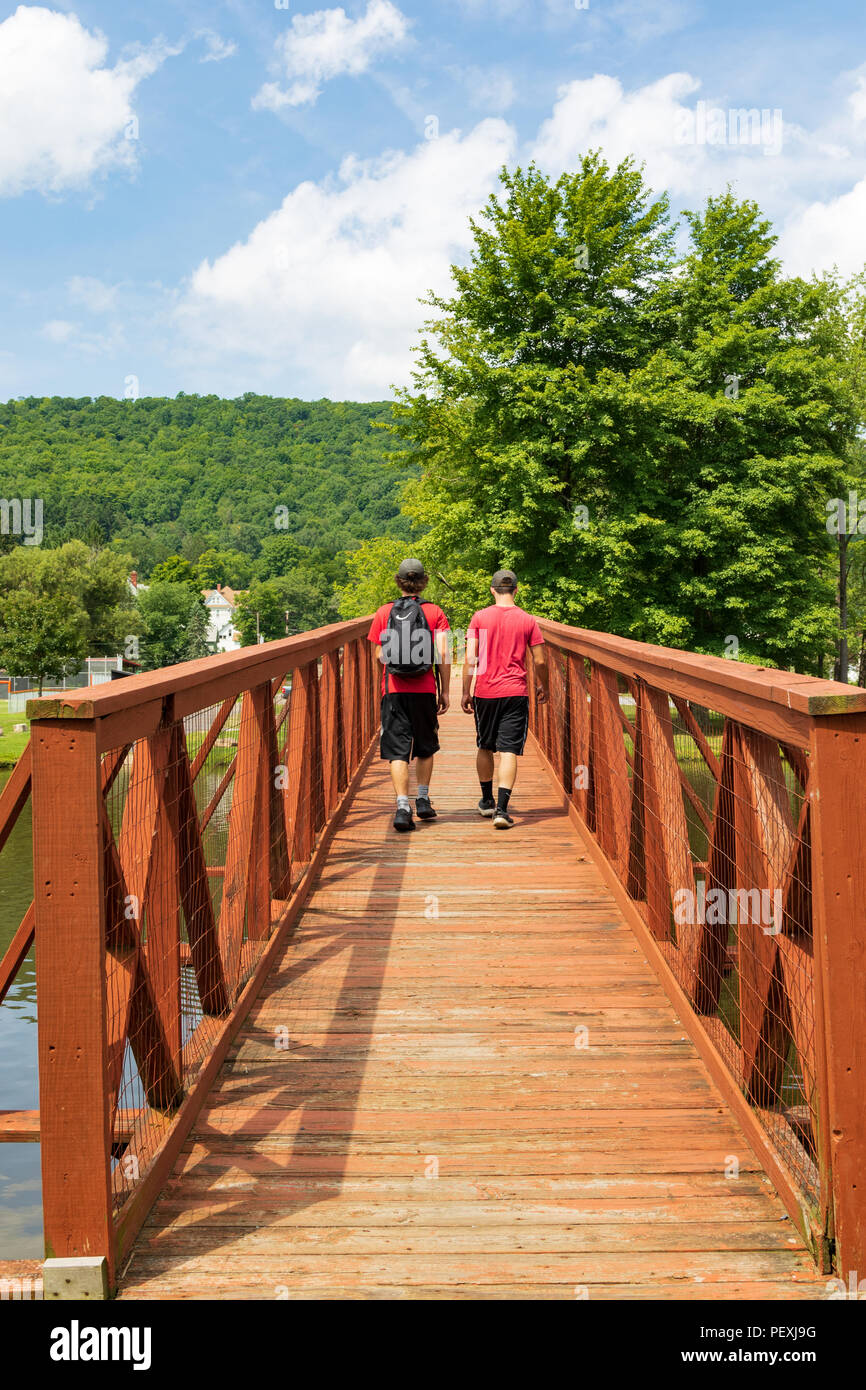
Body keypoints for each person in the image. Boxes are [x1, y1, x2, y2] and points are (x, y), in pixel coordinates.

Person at [368, 558, 451, 832]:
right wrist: (445, 690)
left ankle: (403, 806)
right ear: (423, 581)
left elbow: (379, 656)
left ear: (399, 581)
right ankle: (423, 799)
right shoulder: (435, 612)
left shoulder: (383, 612)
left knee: (398, 751)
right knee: (425, 746)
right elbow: (443, 654)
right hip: (425, 688)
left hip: (394, 690)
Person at [461, 568, 548, 829]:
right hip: (515, 691)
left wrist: (466, 690)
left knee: (485, 746)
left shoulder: (479, 617)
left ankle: (486, 801)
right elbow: (540, 659)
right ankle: (501, 810)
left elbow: (470, 659)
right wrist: (544, 683)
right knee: (509, 750)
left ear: (492, 590)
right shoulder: (528, 620)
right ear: (516, 590)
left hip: (485, 692)